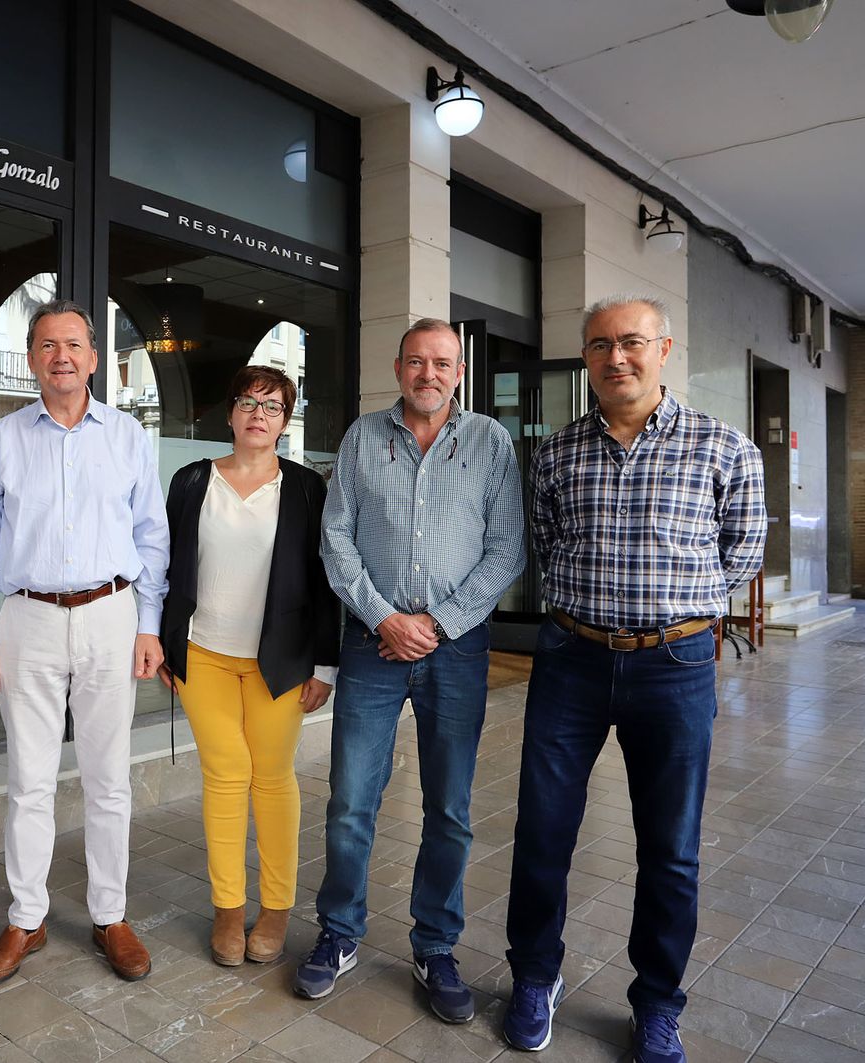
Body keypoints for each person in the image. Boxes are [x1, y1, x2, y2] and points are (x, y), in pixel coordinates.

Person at [502, 295, 765, 1063]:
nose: (615, 357)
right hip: (571, 659)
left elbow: (743, 550)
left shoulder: (725, 447)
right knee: (543, 831)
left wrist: (675, 608)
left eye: (631, 342)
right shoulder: (556, 451)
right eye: (599, 345)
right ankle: (534, 976)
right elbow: (546, 540)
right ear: (585, 356)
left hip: (674, 666)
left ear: (664, 349)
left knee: (670, 848)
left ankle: (656, 1003)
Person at [296, 319, 524, 1021]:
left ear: (460, 372)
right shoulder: (363, 438)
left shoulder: (490, 442)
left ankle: (436, 945)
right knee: (349, 801)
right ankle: (339, 932)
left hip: (457, 649)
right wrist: (385, 618)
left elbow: (507, 547)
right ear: (398, 368)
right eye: (417, 362)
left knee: (449, 809)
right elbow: (335, 539)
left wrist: (438, 624)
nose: (429, 374)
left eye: (442, 363)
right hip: (374, 644)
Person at [0, 299, 170, 985]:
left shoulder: (128, 436)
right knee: (29, 779)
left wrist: (149, 623)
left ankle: (110, 915)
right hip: (28, 618)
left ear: (94, 358)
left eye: (74, 344)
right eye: (48, 345)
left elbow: (152, 536)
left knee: (109, 778)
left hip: (111, 614)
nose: (62, 357)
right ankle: (27, 916)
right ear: (31, 359)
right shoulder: (3, 438)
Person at [159, 365, 340, 968]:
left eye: (272, 406)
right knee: (226, 773)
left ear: (285, 422)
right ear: (230, 413)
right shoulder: (192, 481)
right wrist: (162, 642)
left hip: (280, 661)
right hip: (202, 654)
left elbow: (324, 580)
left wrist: (326, 664)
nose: (258, 415)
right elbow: (166, 566)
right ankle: (229, 909)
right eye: (247, 403)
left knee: (272, 776)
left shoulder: (306, 488)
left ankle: (278, 908)